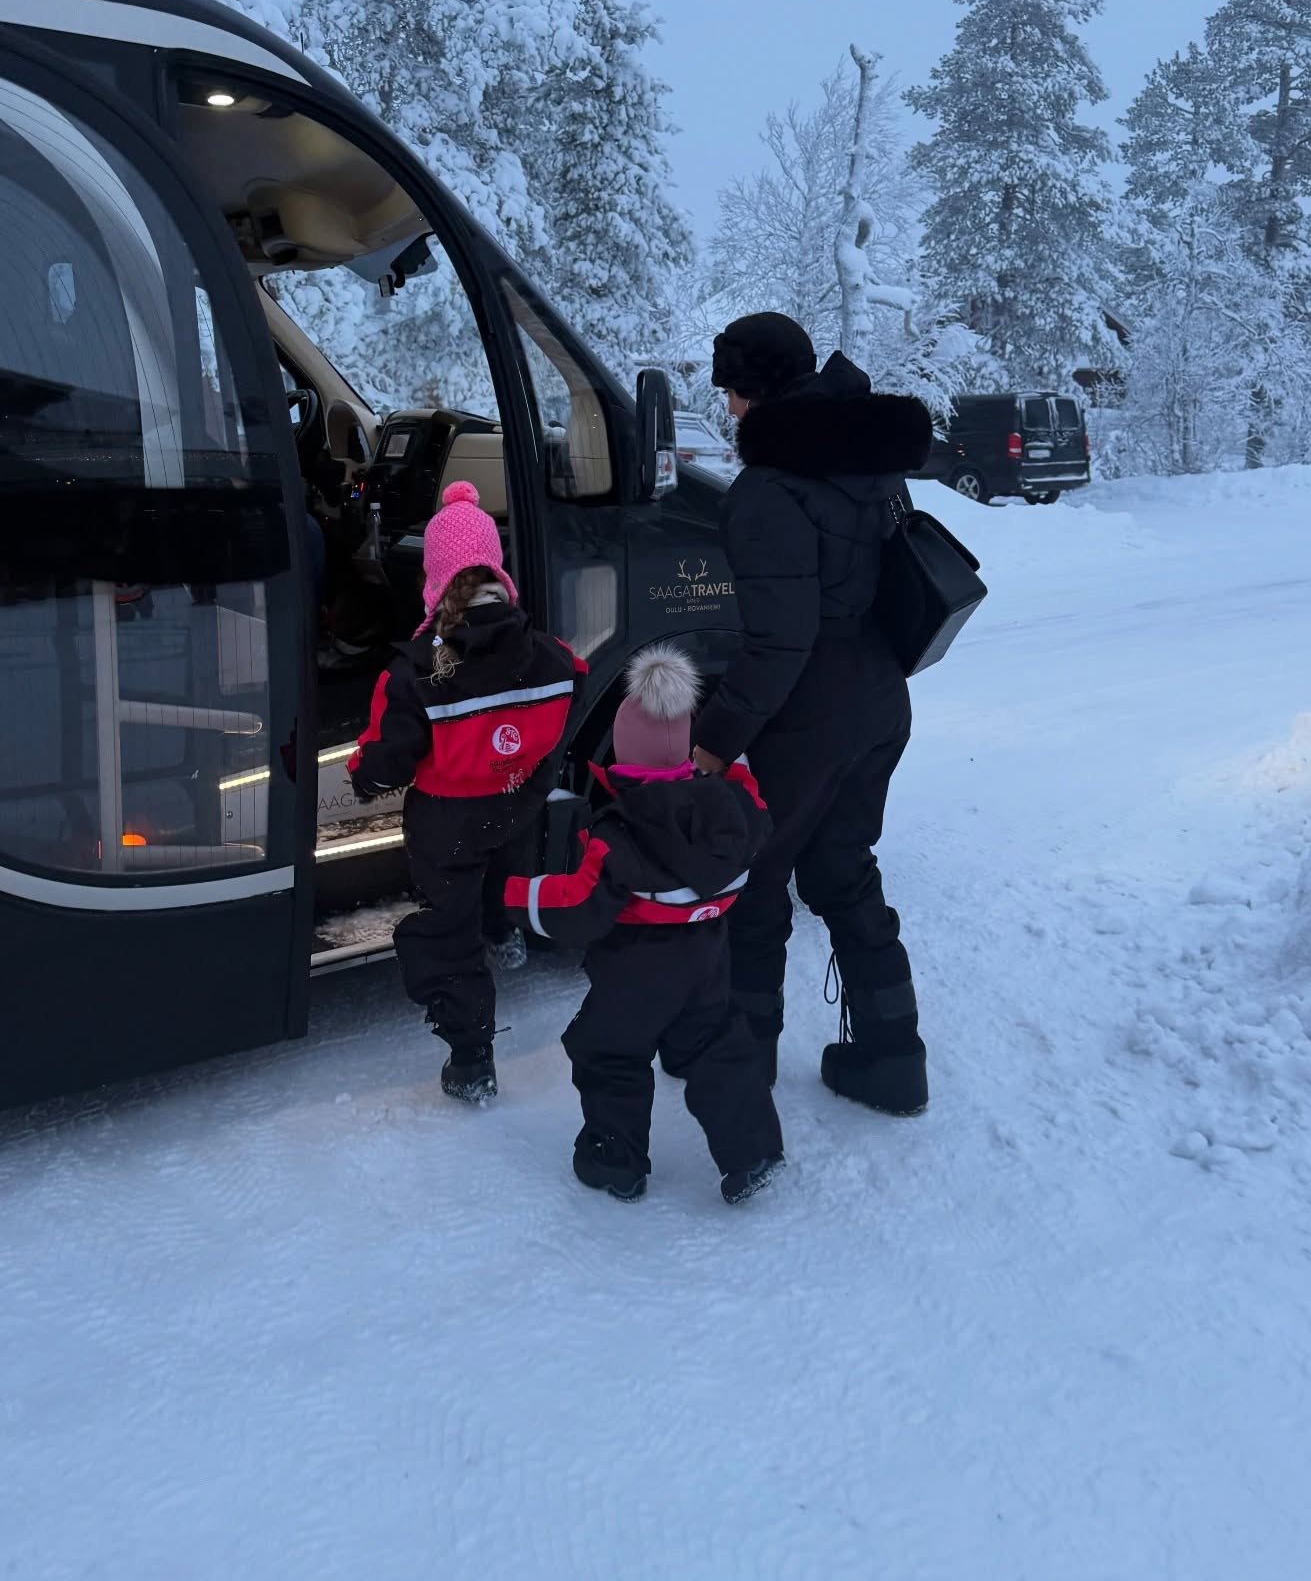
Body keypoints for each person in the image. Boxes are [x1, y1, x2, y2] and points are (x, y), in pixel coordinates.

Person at [688, 312, 935, 1115]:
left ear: (752, 389)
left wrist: (717, 740)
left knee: (756, 887)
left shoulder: (768, 493)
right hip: (879, 697)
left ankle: (740, 1076)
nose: (725, 406)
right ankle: (894, 1062)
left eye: (729, 389)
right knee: (844, 873)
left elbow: (779, 643)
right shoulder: (865, 459)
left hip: (808, 715)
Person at [505, 644, 784, 1205]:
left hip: (635, 974)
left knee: (608, 1053)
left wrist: (513, 896)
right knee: (716, 1048)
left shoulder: (620, 833)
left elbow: (578, 906)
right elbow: (755, 807)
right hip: (706, 962)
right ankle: (752, 1151)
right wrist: (731, 770)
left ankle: (617, 1161)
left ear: (623, 761)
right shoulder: (729, 813)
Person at [348, 481, 585, 1102]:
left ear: (434, 576)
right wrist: (529, 764)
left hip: (445, 822)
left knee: (448, 931)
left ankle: (472, 1058)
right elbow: (574, 692)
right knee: (501, 862)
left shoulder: (416, 671)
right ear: (496, 570)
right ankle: (504, 929)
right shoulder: (550, 655)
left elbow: (387, 756)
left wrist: (363, 776)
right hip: (515, 802)